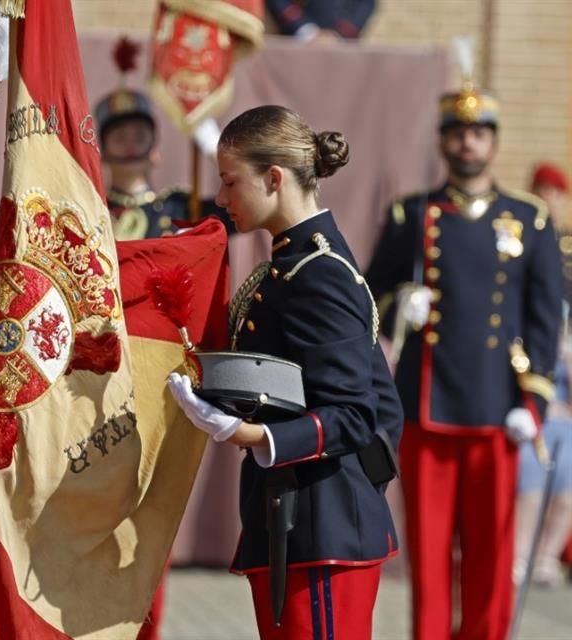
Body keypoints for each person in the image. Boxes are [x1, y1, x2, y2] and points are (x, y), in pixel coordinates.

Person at [168, 105, 402, 639]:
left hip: (324, 525)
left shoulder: (319, 274)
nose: (223, 198)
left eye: (230, 181)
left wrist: (253, 434)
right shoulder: (289, 265)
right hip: (297, 518)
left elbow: (355, 415)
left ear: (273, 178)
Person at [365, 80, 563, 638]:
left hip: (500, 407)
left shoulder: (529, 220)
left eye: (478, 134)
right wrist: (401, 303)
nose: (467, 144)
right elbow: (369, 299)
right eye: (456, 134)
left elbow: (546, 318)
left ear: (493, 143)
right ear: (442, 143)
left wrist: (538, 398)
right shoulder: (412, 214)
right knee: (428, 552)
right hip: (428, 406)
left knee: (491, 553)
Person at [94, 37, 231, 242]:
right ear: (102, 152)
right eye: (120, 138)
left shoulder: (179, 209)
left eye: (140, 136)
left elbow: (241, 209)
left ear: (155, 151)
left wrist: (214, 147)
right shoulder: (93, 211)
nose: (130, 145)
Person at [513, 162, 572, 588]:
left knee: (567, 484)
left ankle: (547, 556)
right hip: (532, 377)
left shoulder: (566, 251)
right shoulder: (521, 241)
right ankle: (519, 555)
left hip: (566, 379)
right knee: (531, 479)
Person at [266, 0, 377, 41]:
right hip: (295, 41)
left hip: (343, 47)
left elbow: (366, 3)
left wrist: (339, 35)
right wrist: (308, 31)